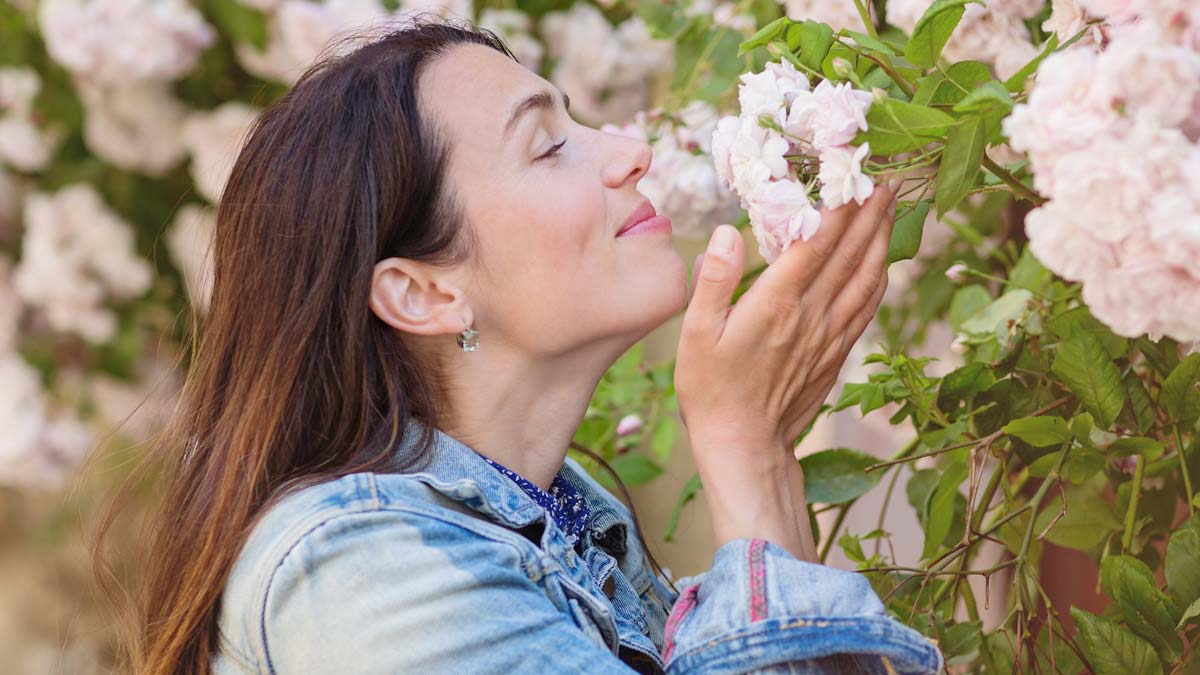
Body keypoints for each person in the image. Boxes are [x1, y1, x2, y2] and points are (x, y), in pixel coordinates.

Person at [125, 16, 942, 675]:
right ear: (426, 291)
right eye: (549, 146)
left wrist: (762, 471)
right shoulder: (355, 573)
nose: (632, 153)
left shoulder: (575, 524)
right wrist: (748, 453)